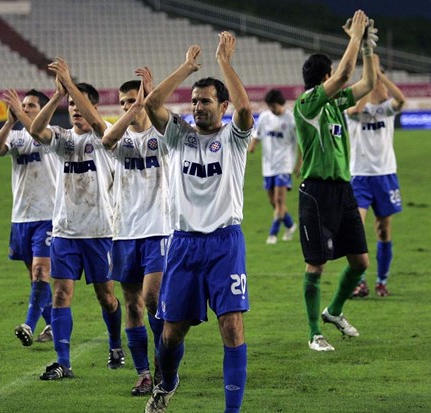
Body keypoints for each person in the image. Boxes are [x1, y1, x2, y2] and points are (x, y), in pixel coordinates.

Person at [143, 32, 254, 413]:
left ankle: (231, 411)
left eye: (205, 101)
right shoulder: (178, 136)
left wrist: (224, 61)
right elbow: (152, 103)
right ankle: (168, 381)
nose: (198, 107)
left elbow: (244, 110)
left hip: (225, 242)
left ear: (221, 104)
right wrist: (187, 68)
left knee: (232, 326)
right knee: (172, 334)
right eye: (194, 101)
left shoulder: (234, 138)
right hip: (184, 244)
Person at [29, 58, 125, 380]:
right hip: (65, 231)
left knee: (107, 297)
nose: (73, 109)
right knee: (60, 294)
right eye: (70, 105)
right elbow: (35, 129)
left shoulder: (106, 136)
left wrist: (71, 85)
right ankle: (63, 362)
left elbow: (98, 124)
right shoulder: (63, 139)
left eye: (77, 104)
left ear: (92, 107)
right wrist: (57, 96)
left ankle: (115, 344)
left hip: (99, 231)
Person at [293, 10, 378, 352]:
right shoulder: (308, 104)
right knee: (316, 264)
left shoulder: (333, 105)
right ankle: (314, 332)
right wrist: (354, 37)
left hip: (343, 189)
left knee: (360, 262)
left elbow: (368, 84)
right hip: (315, 192)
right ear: (325, 77)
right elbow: (345, 74)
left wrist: (369, 48)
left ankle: (333, 312)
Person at [101, 68, 169, 396]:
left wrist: (151, 98)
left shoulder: (164, 136)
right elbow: (107, 139)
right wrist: (131, 112)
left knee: (153, 299)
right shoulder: (119, 139)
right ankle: (143, 372)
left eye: (135, 100)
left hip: (159, 229)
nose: (131, 106)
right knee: (131, 303)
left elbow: (160, 117)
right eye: (125, 102)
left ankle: (163, 364)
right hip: (123, 231)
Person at [0, 88, 56, 346]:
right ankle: (52, 325)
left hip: (46, 216)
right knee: (34, 276)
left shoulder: (51, 137)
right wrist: (8, 121)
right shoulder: (17, 137)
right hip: (21, 218)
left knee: (40, 272)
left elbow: (37, 131)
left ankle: (28, 324)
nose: (25, 109)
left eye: (31, 106)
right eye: (23, 105)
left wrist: (19, 114)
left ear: (43, 112)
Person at [345, 54, 406, 298]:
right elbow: (354, 110)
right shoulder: (355, 108)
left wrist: (380, 76)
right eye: (375, 82)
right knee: (356, 228)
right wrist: (368, 84)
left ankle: (381, 281)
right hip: (360, 176)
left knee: (383, 229)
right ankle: (359, 282)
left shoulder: (386, 110)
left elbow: (400, 100)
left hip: (385, 175)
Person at [248, 89, 300, 244]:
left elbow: (299, 143)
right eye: (270, 106)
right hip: (268, 165)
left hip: (284, 164)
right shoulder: (265, 117)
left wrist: (298, 164)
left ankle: (273, 234)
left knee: (279, 200)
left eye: (274, 106)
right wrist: (252, 146)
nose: (272, 109)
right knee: (272, 201)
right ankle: (290, 225)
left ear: (281, 104)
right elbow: (257, 135)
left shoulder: (290, 119)